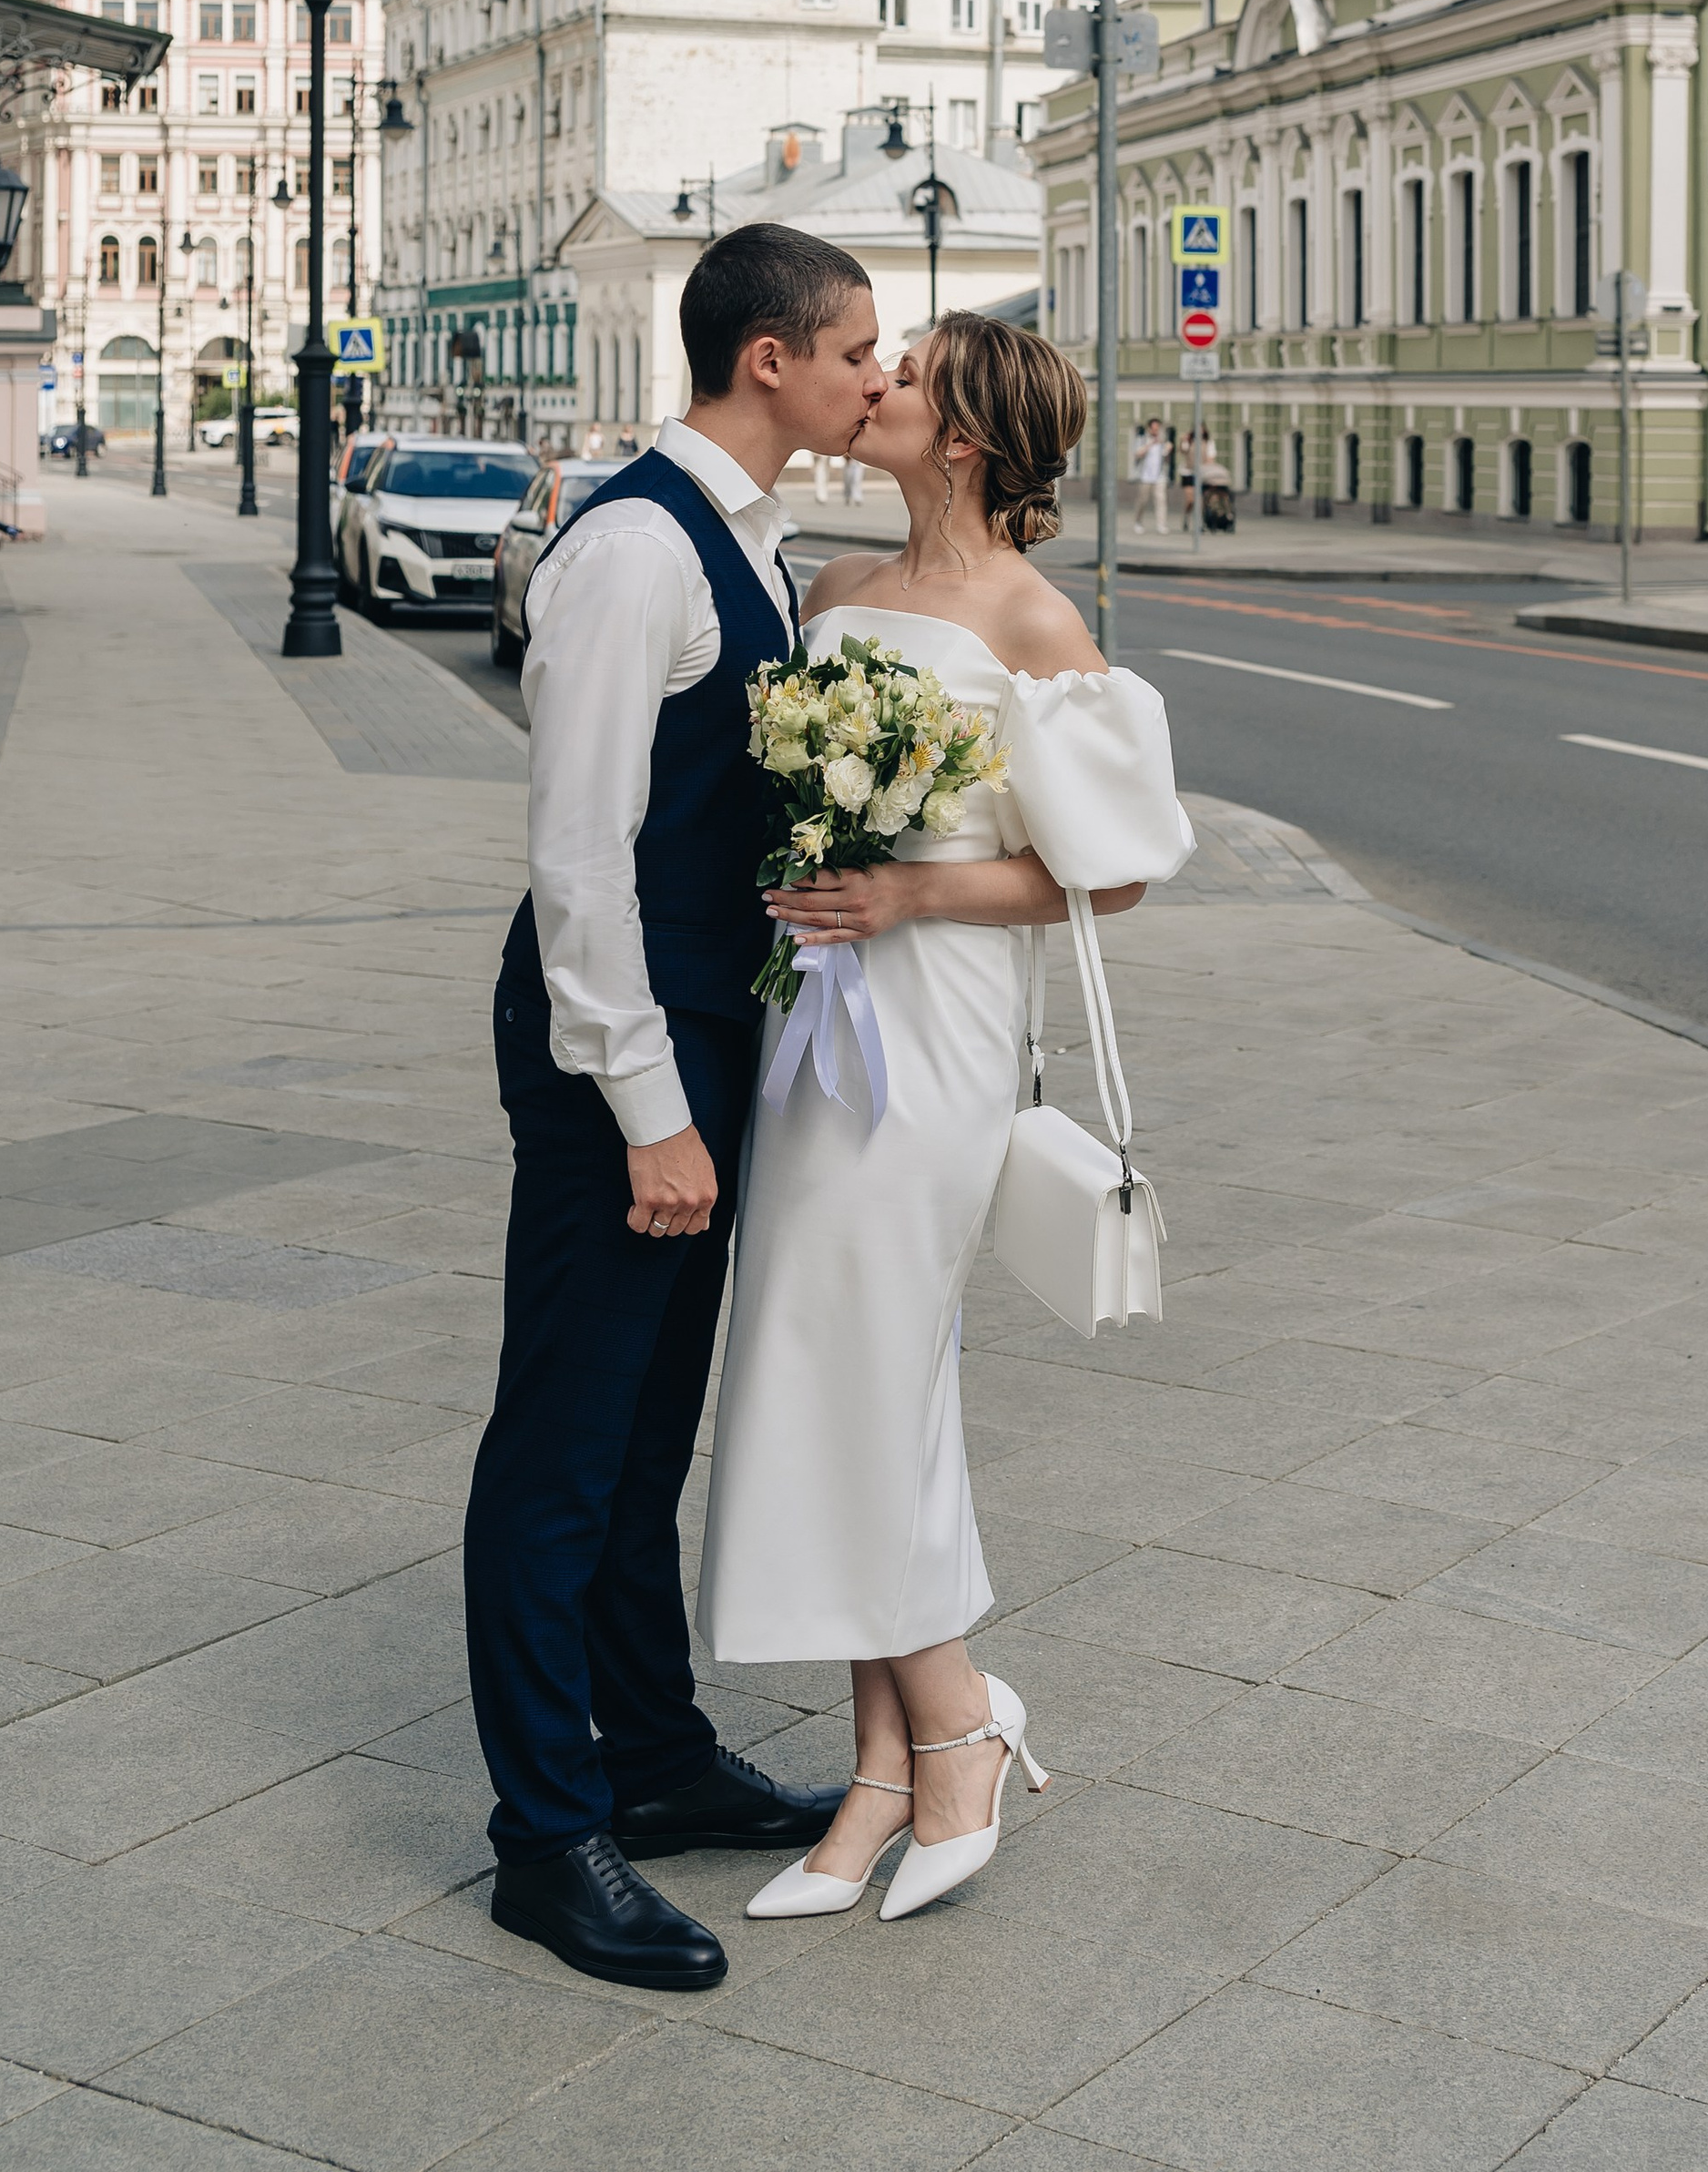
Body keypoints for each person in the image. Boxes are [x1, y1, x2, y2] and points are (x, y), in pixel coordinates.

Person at [696, 311, 1193, 1922]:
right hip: (817, 1017)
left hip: (941, 1022)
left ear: (965, 434)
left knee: (868, 1358)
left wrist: (907, 888)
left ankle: (961, 1720)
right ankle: (886, 1772)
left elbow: (1106, 867)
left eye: (901, 373)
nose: (873, 383)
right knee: (848, 1365)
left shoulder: (1030, 615)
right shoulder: (835, 592)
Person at [463, 222, 889, 1993]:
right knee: (562, 1444)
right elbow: (575, 857)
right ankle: (542, 1836)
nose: (879, 375)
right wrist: (643, 1102)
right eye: (858, 346)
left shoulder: (748, 536)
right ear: (769, 358)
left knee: (645, 1436)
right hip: (613, 1044)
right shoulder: (635, 543)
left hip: (702, 1026)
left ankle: (646, 1760)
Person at [1130, 412, 1171, 534]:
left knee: (1161, 501)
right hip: (1145, 477)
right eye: (1153, 429)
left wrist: (1168, 450)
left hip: (1159, 476)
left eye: (1157, 429)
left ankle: (1161, 524)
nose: (1155, 431)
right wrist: (1150, 444)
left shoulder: (1163, 442)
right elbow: (1137, 454)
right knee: (1142, 501)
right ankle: (1138, 522)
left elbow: (1167, 459)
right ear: (1149, 429)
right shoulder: (1142, 440)